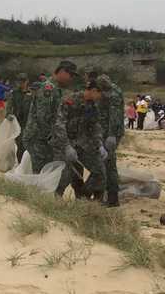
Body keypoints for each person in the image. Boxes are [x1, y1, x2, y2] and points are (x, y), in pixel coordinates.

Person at [54, 80, 106, 199]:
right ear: (93, 91)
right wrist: (67, 146)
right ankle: (55, 201)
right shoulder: (70, 101)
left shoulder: (93, 105)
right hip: (66, 143)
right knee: (65, 176)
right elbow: (59, 125)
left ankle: (84, 198)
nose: (100, 98)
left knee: (99, 171)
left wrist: (100, 144)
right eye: (99, 94)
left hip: (84, 144)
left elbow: (95, 126)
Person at [24, 61, 79, 174]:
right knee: (41, 173)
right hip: (39, 138)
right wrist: (55, 138)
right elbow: (42, 117)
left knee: (48, 172)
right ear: (62, 71)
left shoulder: (56, 89)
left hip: (45, 139)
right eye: (71, 75)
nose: (71, 79)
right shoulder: (48, 89)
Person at [97, 74, 125, 207]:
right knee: (107, 163)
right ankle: (108, 196)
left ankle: (112, 198)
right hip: (108, 132)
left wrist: (111, 135)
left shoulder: (112, 94)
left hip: (110, 134)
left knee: (109, 164)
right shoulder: (116, 89)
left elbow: (114, 115)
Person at [9, 73, 34, 161]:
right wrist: (8, 115)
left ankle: (25, 165)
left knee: (27, 145)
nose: (21, 83)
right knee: (20, 144)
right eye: (20, 81)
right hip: (17, 122)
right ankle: (20, 164)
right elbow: (10, 105)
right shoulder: (14, 93)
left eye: (23, 81)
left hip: (29, 122)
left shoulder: (32, 93)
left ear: (27, 81)